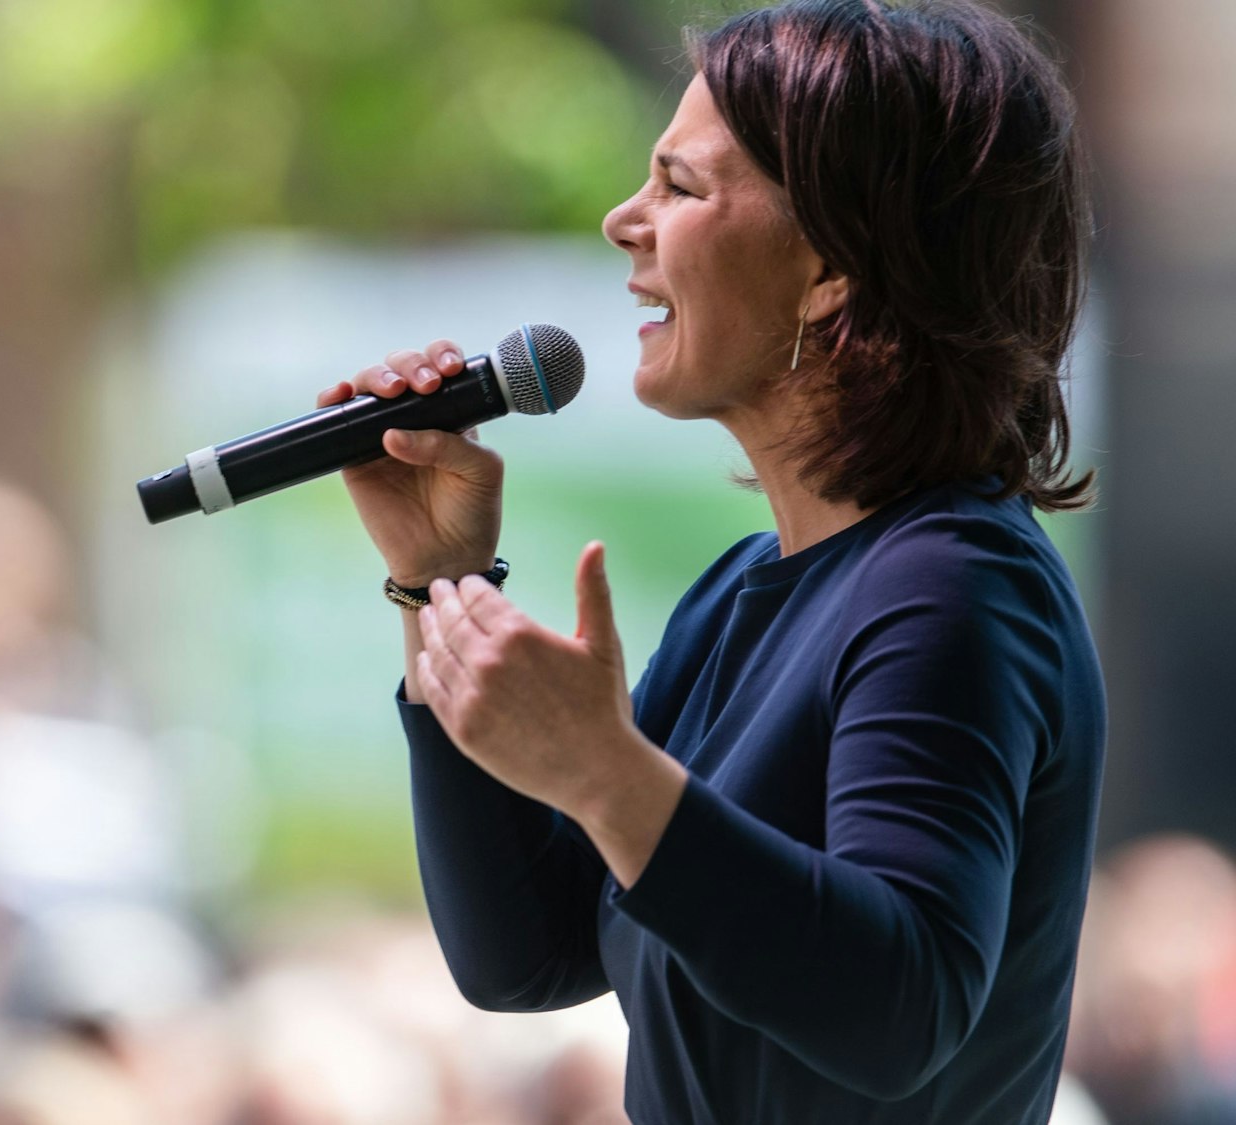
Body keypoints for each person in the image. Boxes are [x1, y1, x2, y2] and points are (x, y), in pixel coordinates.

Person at [313, 1, 1105, 1120]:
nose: (619, 220)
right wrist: (438, 581)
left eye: (679, 188)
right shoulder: (741, 593)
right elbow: (523, 957)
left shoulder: (953, 585)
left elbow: (902, 1008)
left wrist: (604, 770)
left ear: (832, 265)